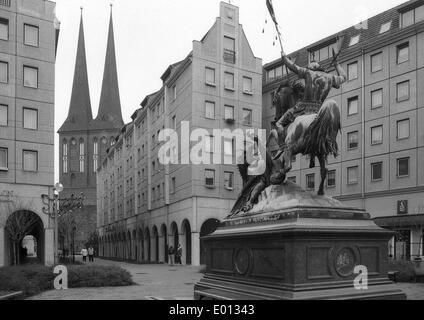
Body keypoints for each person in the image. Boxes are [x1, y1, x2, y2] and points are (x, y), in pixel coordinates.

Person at [275, 50, 347, 168]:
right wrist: (336, 64)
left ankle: (283, 147)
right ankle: (313, 155)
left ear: (311, 67)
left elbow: (292, 66)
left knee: (279, 123)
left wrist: (283, 57)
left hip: (302, 108)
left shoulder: (308, 72)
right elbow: (344, 77)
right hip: (318, 112)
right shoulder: (330, 77)